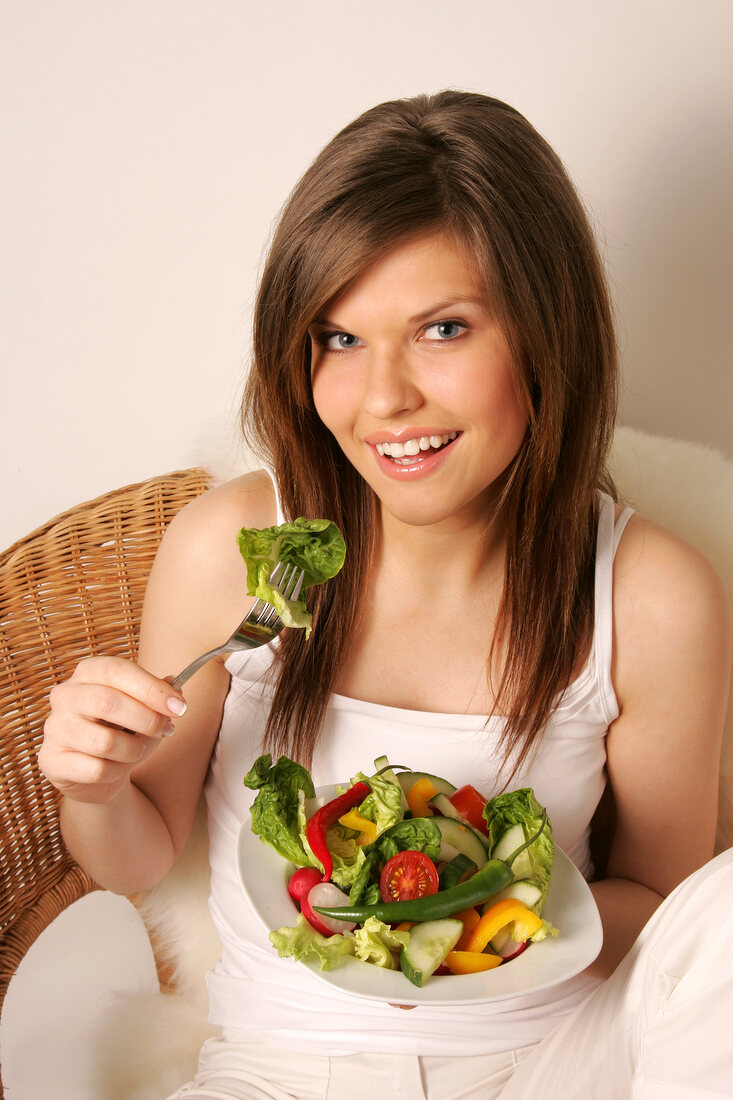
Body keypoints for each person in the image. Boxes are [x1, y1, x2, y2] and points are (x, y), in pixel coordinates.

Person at [39, 91, 732, 1099]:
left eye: (442, 328)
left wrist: (476, 924)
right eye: (338, 338)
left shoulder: (651, 592)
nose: (383, 399)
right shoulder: (237, 548)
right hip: (283, 1068)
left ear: (546, 334)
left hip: (553, 1061)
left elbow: (670, 910)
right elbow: (138, 859)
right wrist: (93, 785)